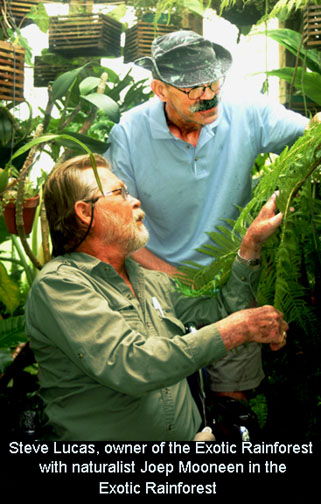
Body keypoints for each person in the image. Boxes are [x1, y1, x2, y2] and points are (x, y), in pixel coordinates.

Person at [106, 30, 318, 413]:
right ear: (159, 89)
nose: (208, 94)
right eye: (192, 88)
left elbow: (310, 136)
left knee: (231, 405)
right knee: (164, 406)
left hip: (234, 280)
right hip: (157, 286)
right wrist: (175, 277)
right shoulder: (129, 133)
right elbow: (117, 227)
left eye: (212, 81)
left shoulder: (248, 111)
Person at [25, 153, 287, 441]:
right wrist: (236, 330)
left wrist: (250, 246)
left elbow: (223, 310)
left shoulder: (151, 281)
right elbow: (131, 365)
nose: (135, 201)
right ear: (85, 213)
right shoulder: (60, 285)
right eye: (120, 193)